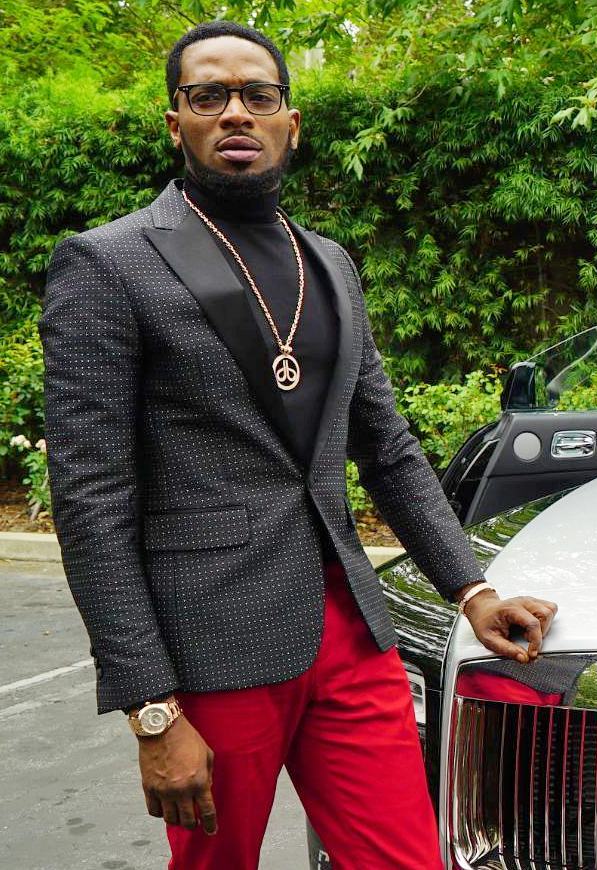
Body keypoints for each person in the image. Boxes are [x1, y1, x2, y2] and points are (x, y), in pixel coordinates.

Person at [39, 19, 557, 870]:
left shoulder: (330, 265)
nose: (235, 112)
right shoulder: (108, 264)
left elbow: (386, 448)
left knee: (405, 858)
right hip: (212, 646)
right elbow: (91, 501)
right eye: (209, 95)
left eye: (258, 94)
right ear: (176, 123)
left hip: (351, 633)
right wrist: (152, 709)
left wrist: (472, 589)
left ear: (290, 121)